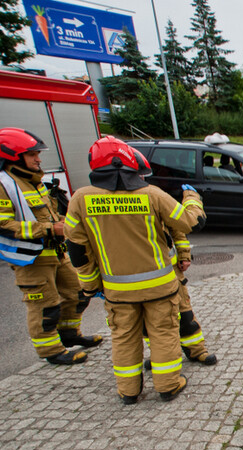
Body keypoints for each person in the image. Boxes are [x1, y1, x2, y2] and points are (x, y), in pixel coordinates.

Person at [64, 137, 206, 405]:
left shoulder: (81, 199)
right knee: (163, 333)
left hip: (117, 291)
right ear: (128, 162)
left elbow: (77, 249)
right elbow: (190, 222)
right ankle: (168, 385)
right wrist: (192, 198)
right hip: (160, 287)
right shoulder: (151, 194)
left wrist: (91, 285)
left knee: (124, 338)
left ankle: (128, 391)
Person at [0, 127, 102, 365]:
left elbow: (46, 214)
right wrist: (49, 229)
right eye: (32, 154)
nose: (38, 158)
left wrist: (61, 222)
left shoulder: (32, 181)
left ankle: (69, 334)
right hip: (30, 257)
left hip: (55, 251)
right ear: (13, 156)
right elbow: (3, 223)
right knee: (45, 306)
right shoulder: (4, 184)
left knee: (78, 292)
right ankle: (50, 350)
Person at [133, 151, 217, 367]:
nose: (142, 179)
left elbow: (176, 228)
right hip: (135, 280)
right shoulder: (109, 205)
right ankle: (160, 356)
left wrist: (184, 255)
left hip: (169, 273)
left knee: (185, 316)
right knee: (150, 324)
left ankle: (196, 350)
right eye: (139, 175)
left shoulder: (152, 196)